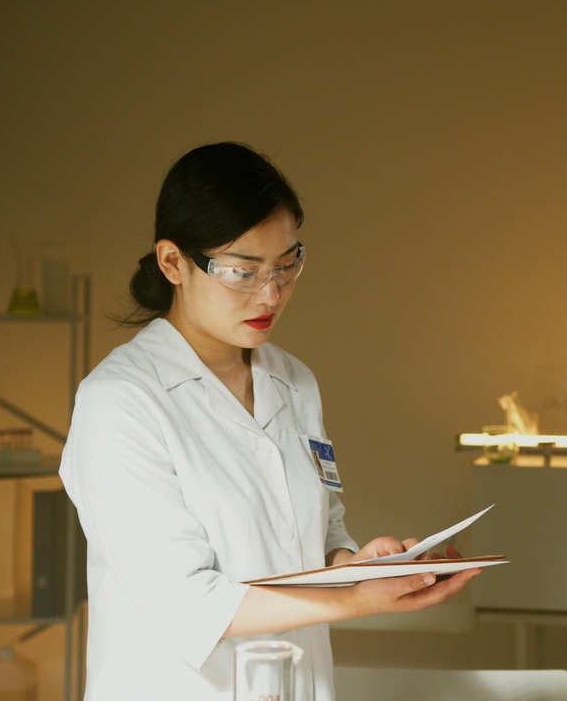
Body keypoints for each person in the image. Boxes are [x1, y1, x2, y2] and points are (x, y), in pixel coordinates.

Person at [60, 142, 479, 700]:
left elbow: (320, 533)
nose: (271, 293)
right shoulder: (120, 401)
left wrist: (359, 565)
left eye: (286, 265)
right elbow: (186, 603)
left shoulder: (293, 381)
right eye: (243, 272)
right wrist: (355, 599)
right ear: (172, 262)